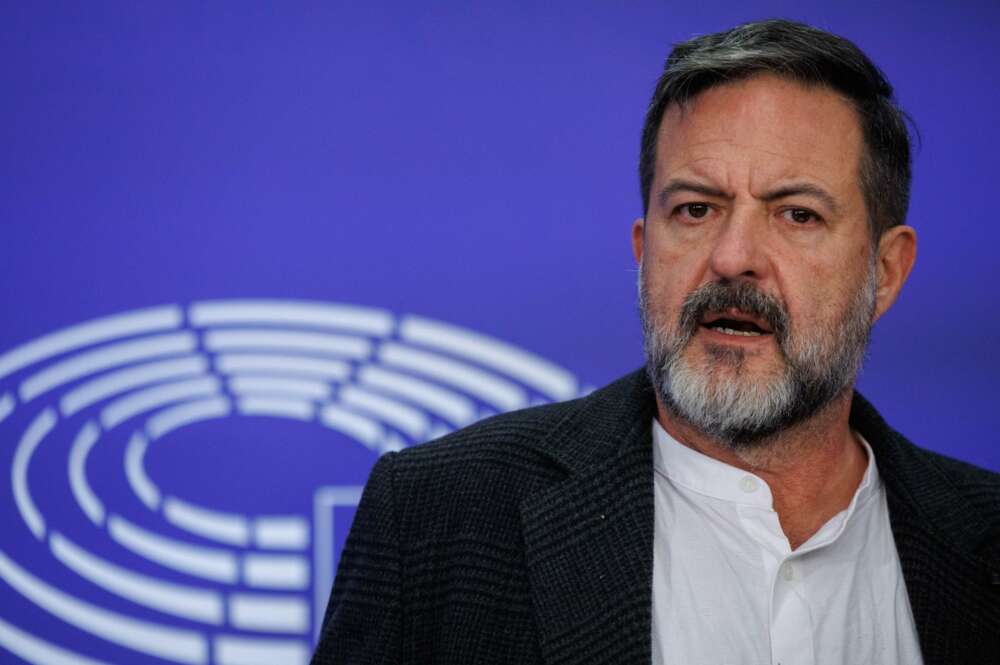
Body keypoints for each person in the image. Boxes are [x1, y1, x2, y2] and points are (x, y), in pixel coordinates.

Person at [312, 19, 1000, 665]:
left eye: (797, 214)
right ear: (644, 252)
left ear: (885, 273)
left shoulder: (983, 534)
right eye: (695, 209)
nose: (733, 257)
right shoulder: (440, 517)